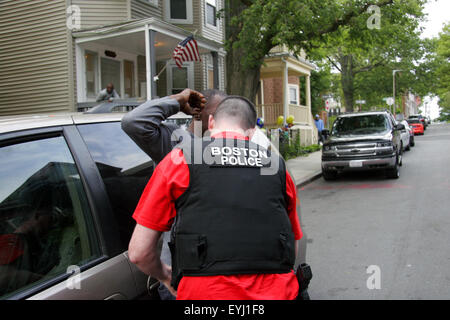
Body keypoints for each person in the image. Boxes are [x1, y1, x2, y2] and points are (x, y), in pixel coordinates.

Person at [127, 96, 302, 300]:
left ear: (210, 123)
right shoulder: (278, 168)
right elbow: (291, 245)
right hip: (276, 293)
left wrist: (167, 277)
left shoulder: (179, 160)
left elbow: (139, 252)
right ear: (252, 131)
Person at [121, 88, 226, 299]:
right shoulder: (176, 142)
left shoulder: (228, 148)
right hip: (182, 278)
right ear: (198, 112)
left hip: (221, 276)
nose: (225, 120)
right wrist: (178, 102)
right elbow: (133, 123)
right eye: (218, 113)